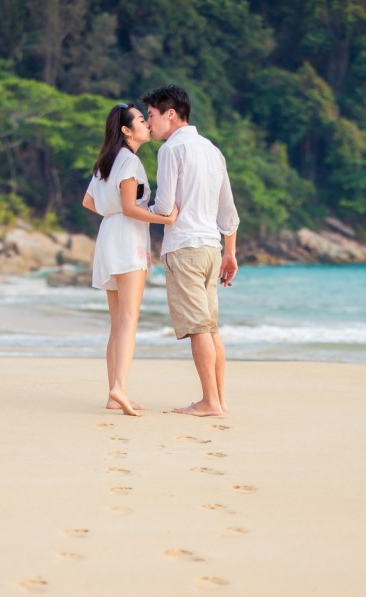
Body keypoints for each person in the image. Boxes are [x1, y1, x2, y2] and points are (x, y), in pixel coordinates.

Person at [143, 85, 239, 417]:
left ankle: (210, 402)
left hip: (184, 247)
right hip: (212, 248)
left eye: (152, 115)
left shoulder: (171, 150)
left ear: (171, 114)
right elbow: (228, 211)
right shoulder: (212, 150)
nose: (148, 122)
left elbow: (165, 205)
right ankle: (219, 399)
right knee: (210, 327)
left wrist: (136, 205)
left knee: (199, 327)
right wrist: (231, 253)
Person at [83, 103, 177, 417]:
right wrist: (167, 219)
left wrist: (112, 214)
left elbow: (88, 201)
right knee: (129, 319)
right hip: (126, 237)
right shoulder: (129, 161)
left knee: (118, 321)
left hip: (109, 235)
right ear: (126, 130)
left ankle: (114, 391)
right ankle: (119, 388)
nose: (146, 124)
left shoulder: (107, 161)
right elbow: (129, 208)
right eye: (140, 120)